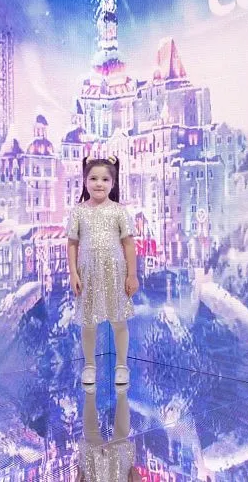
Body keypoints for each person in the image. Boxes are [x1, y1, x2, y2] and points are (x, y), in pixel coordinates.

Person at [66, 155, 139, 385]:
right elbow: (72, 243)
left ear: (113, 183)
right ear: (85, 181)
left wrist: (132, 274)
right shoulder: (78, 211)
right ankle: (89, 365)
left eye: (105, 179)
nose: (99, 184)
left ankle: (122, 365)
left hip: (115, 273)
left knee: (119, 321)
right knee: (88, 323)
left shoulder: (119, 211)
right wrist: (73, 273)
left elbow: (128, 244)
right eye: (94, 178)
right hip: (88, 274)